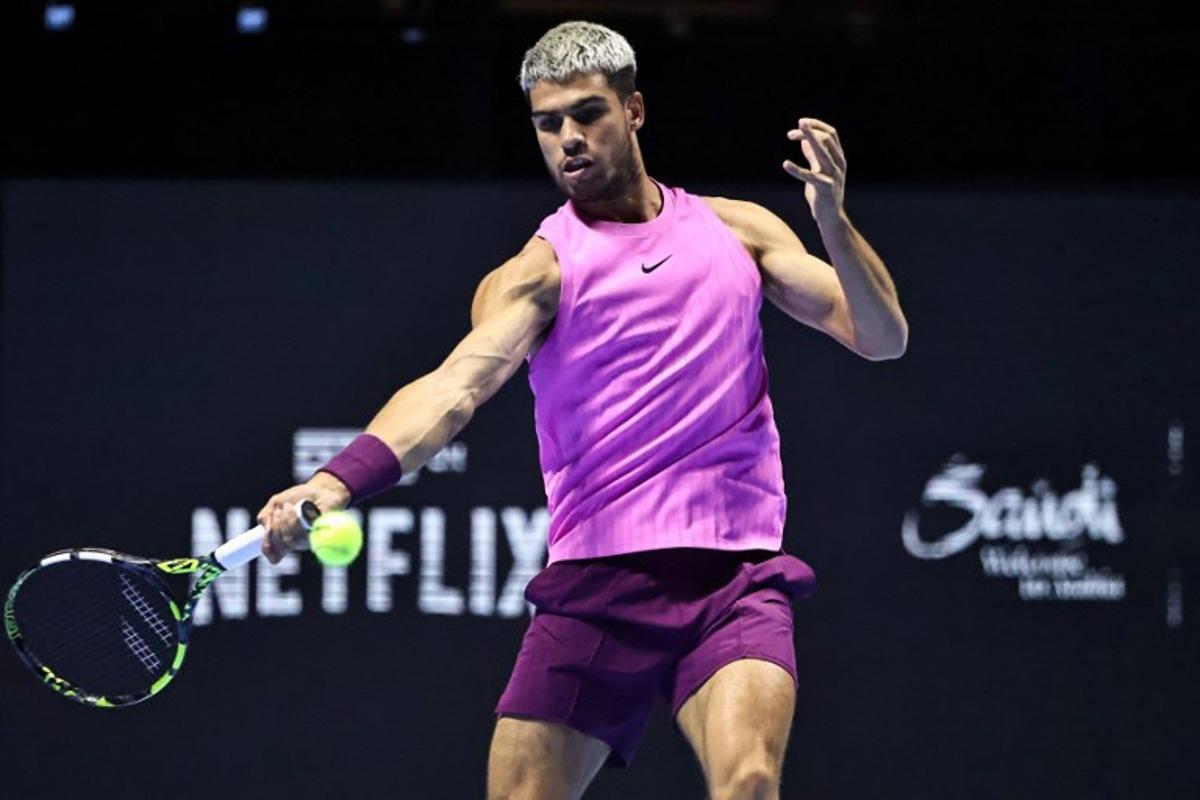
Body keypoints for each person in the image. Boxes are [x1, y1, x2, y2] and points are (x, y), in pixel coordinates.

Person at [257, 19, 907, 800]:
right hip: (597, 585)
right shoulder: (538, 272)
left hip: (734, 576)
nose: (568, 137)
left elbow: (881, 338)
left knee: (752, 780)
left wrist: (833, 223)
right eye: (547, 123)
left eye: (587, 114)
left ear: (633, 111)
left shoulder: (739, 231)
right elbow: (456, 385)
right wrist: (334, 483)